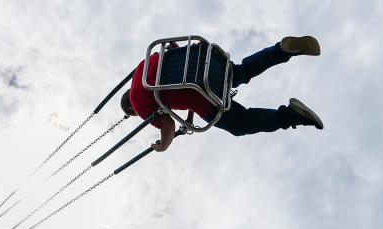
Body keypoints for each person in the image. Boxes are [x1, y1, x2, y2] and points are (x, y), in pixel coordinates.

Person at [120, 36, 324, 152]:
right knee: (242, 71)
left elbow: (167, 124)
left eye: (135, 114)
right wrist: (188, 118)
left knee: (238, 123)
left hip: (201, 93)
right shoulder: (142, 68)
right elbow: (173, 58)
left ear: (130, 108)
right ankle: (282, 50)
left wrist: (164, 144)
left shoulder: (137, 102)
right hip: (205, 62)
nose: (140, 114)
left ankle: (291, 115)